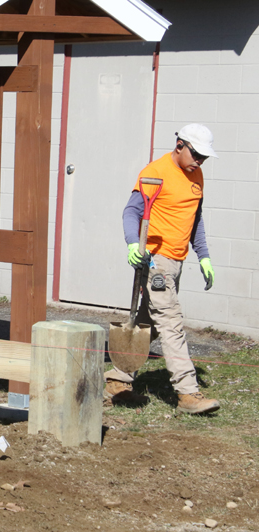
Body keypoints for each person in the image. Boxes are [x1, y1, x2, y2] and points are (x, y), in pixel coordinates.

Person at [105, 123, 220, 415]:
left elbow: (196, 219)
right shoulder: (154, 172)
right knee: (170, 321)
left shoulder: (197, 175)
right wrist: (133, 244)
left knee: (150, 322)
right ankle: (187, 393)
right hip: (156, 261)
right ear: (180, 145)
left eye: (205, 157)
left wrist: (203, 255)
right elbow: (132, 211)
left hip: (177, 260)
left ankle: (117, 380)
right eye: (197, 154)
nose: (200, 161)